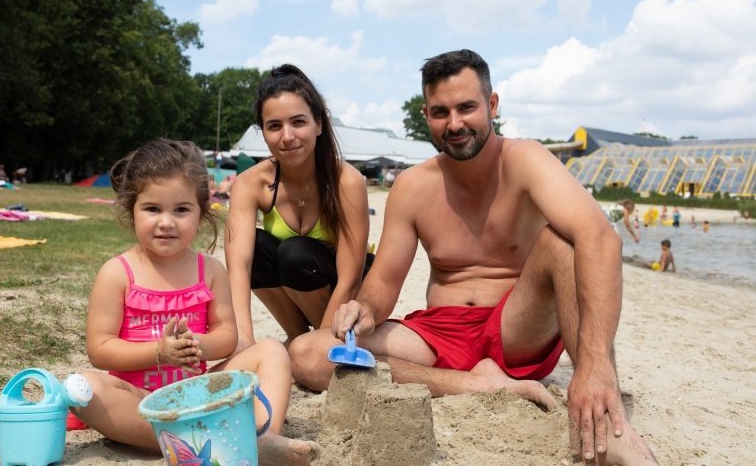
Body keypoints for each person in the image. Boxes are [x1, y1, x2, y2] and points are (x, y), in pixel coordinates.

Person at [289, 50, 658, 465]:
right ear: (426, 113)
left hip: (517, 325)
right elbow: (386, 281)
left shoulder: (525, 159)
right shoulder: (412, 185)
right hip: (440, 332)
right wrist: (366, 308)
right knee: (307, 353)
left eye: (467, 107)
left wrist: (594, 367)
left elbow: (601, 239)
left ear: (492, 105)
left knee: (563, 241)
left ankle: (608, 416)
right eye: (441, 112)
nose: (455, 124)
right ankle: (476, 384)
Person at [72, 138, 318, 465]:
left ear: (201, 213)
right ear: (132, 210)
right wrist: (159, 352)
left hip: (201, 392)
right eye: (152, 209)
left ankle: (262, 436)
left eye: (181, 210)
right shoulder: (118, 274)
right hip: (140, 400)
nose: (166, 221)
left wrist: (197, 345)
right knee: (85, 389)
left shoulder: (211, 270)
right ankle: (203, 441)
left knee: (272, 350)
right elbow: (100, 348)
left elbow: (228, 336)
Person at [224, 64, 371, 353]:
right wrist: (243, 341)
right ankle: (297, 337)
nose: (287, 136)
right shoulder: (250, 183)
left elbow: (351, 277)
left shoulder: (348, 181)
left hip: (346, 290)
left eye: (298, 122)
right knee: (258, 246)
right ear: (263, 132)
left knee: (295, 253)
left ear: (319, 124)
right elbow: (238, 266)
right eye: (274, 126)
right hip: (298, 288)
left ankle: (315, 340)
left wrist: (323, 344)